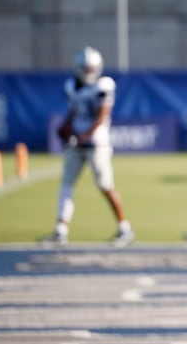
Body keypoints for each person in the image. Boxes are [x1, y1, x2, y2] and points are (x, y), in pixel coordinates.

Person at [41, 46, 134, 247]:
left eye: (91, 69)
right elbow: (74, 112)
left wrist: (83, 136)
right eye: (86, 68)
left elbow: (102, 116)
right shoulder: (72, 86)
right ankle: (60, 230)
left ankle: (124, 228)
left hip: (97, 144)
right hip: (77, 142)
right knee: (66, 184)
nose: (89, 73)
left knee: (105, 186)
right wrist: (65, 127)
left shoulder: (103, 86)